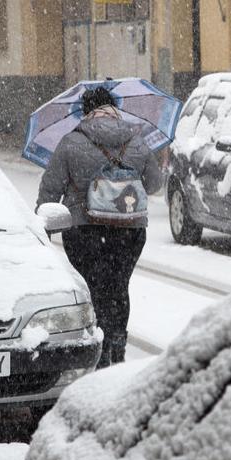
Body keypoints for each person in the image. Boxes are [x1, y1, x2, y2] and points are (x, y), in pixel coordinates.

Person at [36, 86, 163, 368]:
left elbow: (50, 189)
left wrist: (41, 225)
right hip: (129, 231)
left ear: (85, 110)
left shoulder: (71, 141)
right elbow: (154, 184)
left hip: (84, 231)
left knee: (93, 288)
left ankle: (98, 351)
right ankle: (117, 348)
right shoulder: (137, 139)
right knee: (118, 286)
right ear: (114, 108)